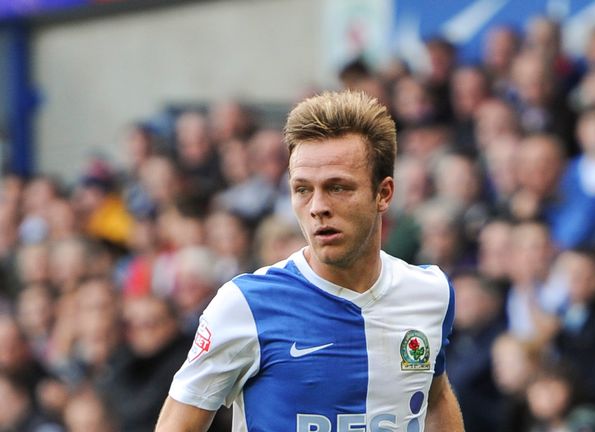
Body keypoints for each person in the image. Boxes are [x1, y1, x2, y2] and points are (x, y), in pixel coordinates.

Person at [156, 90, 464, 431]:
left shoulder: (429, 293)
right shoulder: (246, 305)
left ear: (383, 193)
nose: (318, 206)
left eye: (338, 187)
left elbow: (435, 396)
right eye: (303, 189)